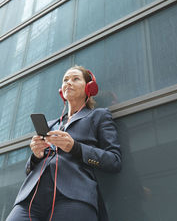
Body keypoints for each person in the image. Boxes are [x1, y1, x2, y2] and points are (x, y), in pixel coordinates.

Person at [6, 65, 121, 221]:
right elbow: (29, 170)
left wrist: (75, 147)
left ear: (89, 87)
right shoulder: (51, 124)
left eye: (75, 79)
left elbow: (114, 161)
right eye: (65, 80)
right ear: (61, 91)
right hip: (31, 198)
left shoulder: (99, 116)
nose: (68, 83)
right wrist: (36, 155)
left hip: (74, 196)